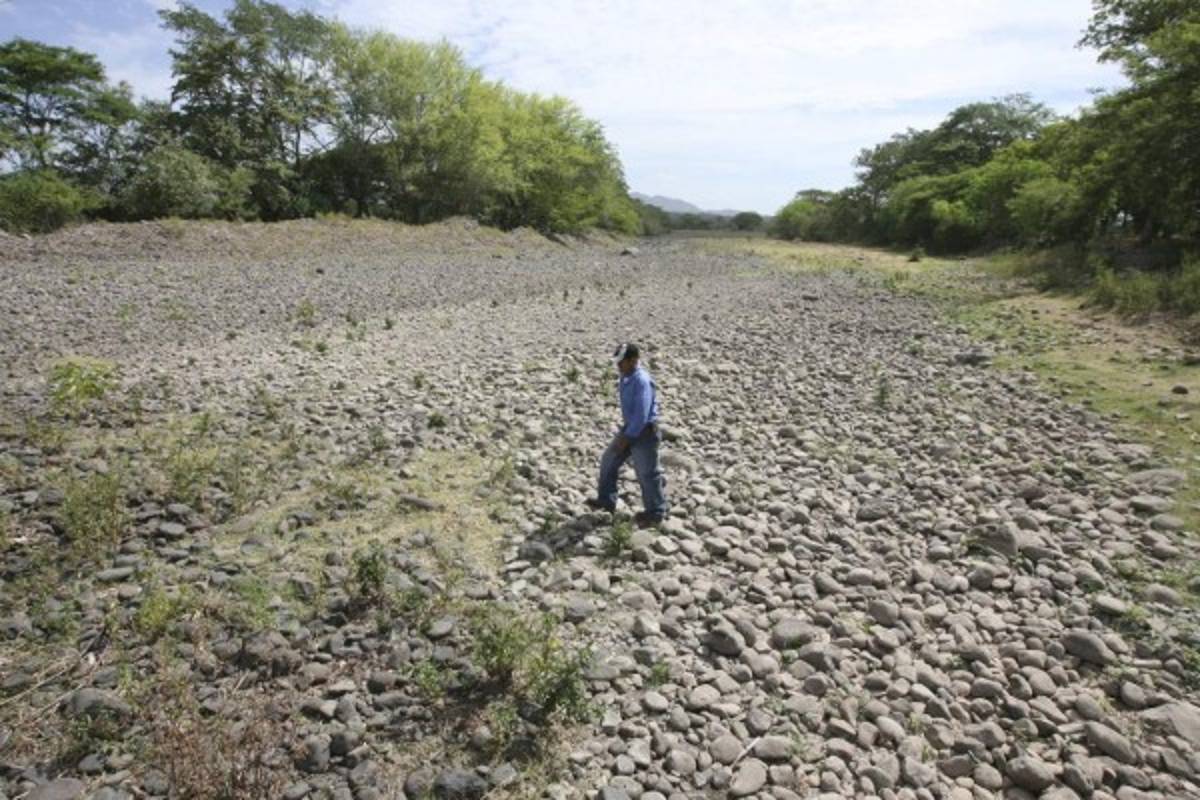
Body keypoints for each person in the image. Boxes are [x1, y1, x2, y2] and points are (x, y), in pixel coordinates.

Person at [586, 343, 668, 527]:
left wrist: (627, 438)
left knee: (647, 474)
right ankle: (606, 501)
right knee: (609, 460)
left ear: (634, 360)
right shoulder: (626, 377)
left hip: (644, 433)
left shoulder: (641, 380)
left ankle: (656, 512)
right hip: (630, 429)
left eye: (622, 362)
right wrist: (626, 433)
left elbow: (642, 413)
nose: (618, 366)